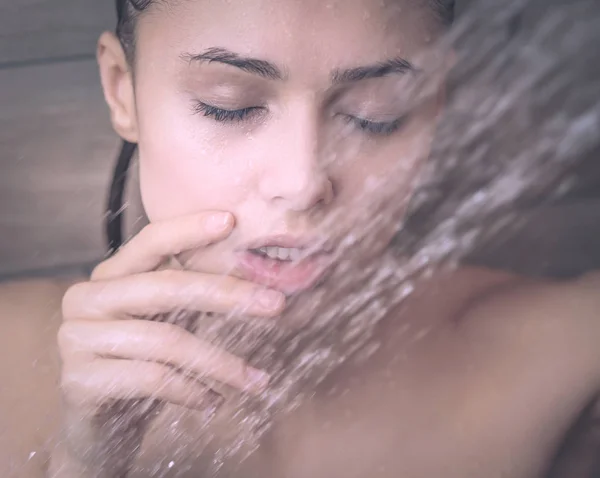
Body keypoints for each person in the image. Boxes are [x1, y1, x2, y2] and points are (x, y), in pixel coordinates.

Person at [0, 0, 599, 477]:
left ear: (433, 108)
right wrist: (83, 467)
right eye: (228, 107)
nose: (303, 182)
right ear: (120, 89)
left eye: (375, 113)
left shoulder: (562, 350)